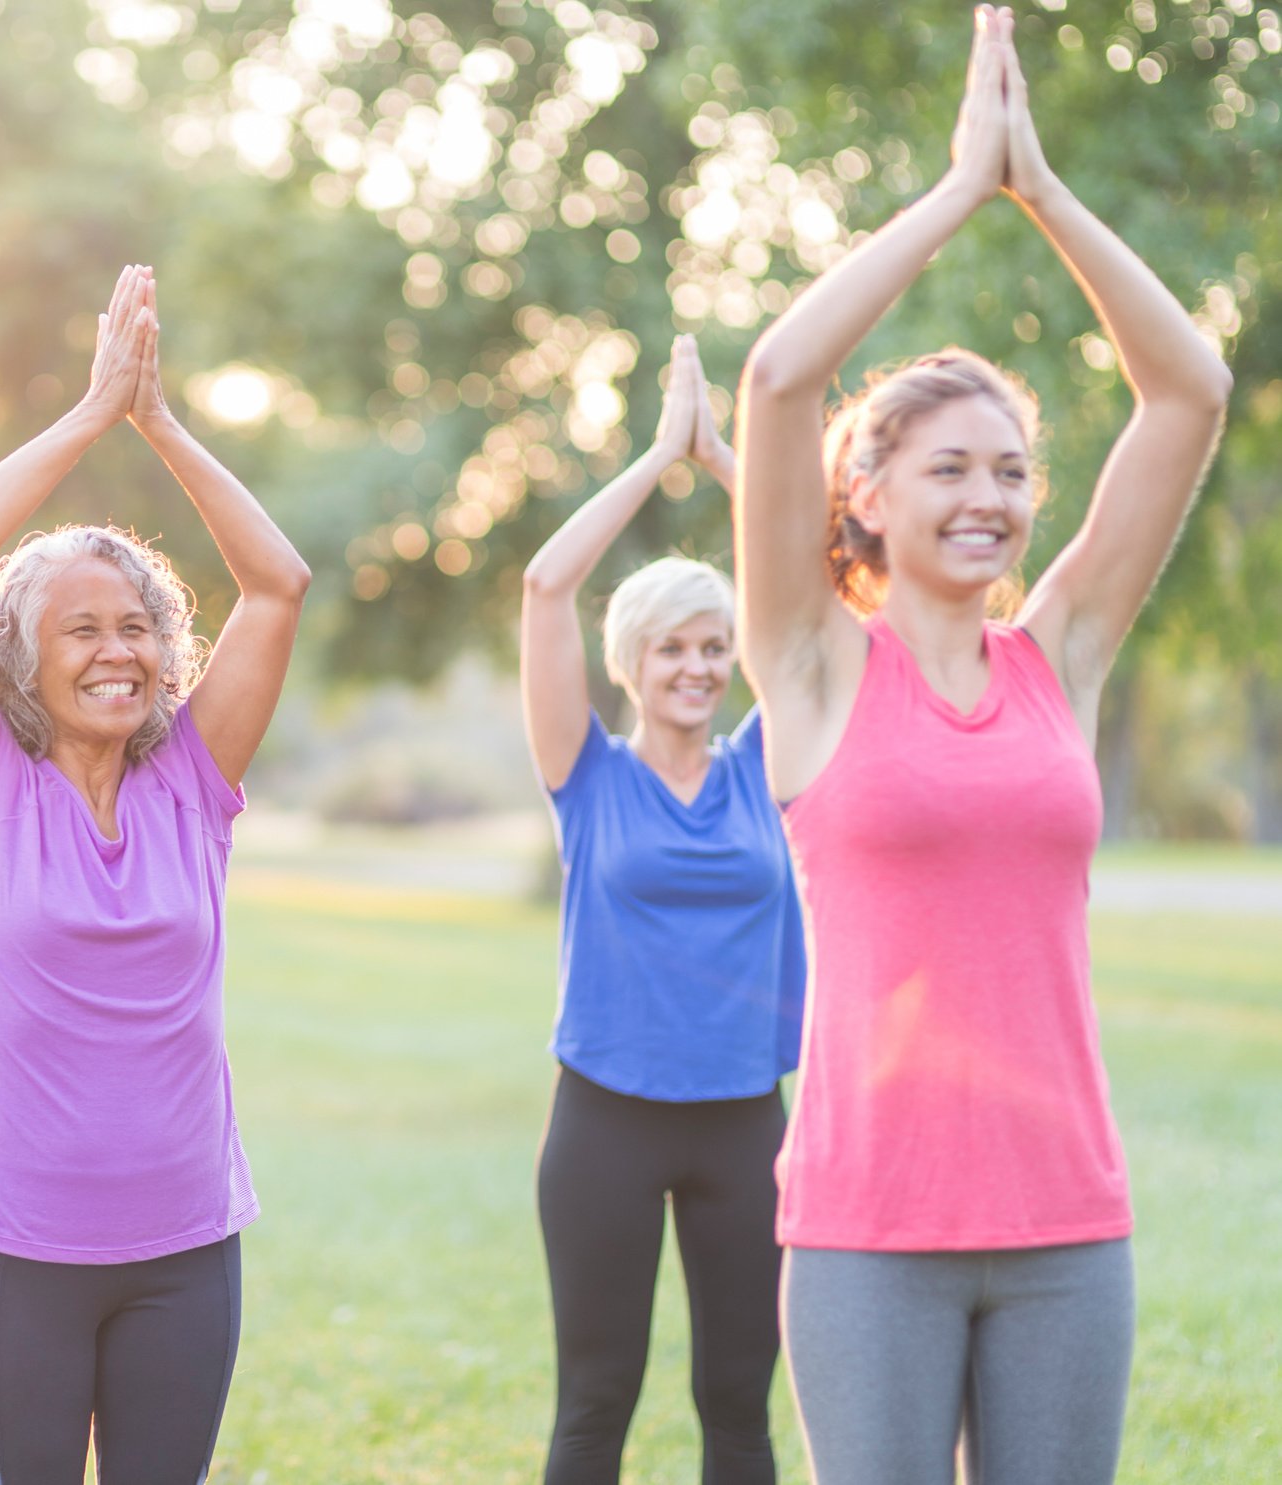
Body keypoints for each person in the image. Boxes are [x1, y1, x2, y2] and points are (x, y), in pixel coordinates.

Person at [733, 8, 1231, 1481]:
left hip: (1069, 1221)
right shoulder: (812, 664)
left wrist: (1043, 188)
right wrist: (956, 193)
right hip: (870, 1227)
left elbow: (1188, 393)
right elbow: (775, 383)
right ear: (866, 497)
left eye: (1013, 471)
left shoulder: (1060, 655)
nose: (990, 496)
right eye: (948, 466)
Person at [0, 264, 309, 1484]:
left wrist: (160, 421)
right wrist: (89, 414)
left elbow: (278, 583)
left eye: (136, 627)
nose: (116, 650)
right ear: (21, 663)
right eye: (80, 629)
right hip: (12, 1250)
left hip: (184, 1249)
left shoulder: (192, 778)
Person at [520, 335, 804, 1484]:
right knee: (595, 1400)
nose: (697, 667)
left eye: (715, 648)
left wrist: (725, 456)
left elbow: (834, 581)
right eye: (672, 649)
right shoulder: (583, 775)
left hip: (746, 1121)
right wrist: (653, 457)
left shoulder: (763, 766)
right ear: (628, 663)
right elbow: (545, 584)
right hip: (605, 1121)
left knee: (737, 1405)